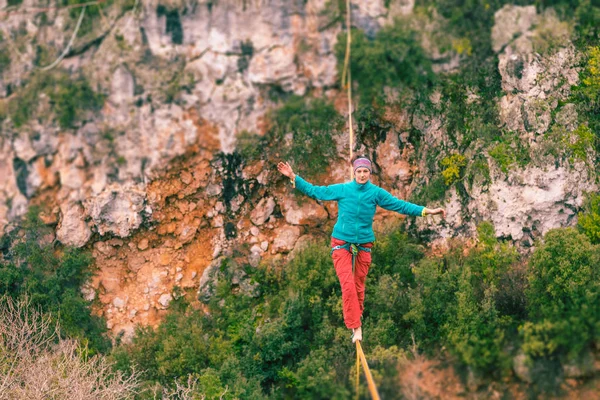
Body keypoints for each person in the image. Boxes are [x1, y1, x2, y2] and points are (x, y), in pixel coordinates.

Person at [277, 156, 446, 343]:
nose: (362, 174)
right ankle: (356, 327)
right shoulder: (343, 189)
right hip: (341, 243)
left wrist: (426, 211)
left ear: (370, 173)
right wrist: (293, 176)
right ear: (354, 172)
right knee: (347, 285)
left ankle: (358, 318)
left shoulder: (376, 193)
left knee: (358, 287)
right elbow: (317, 191)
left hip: (364, 244)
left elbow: (401, 205)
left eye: (366, 171)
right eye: (359, 171)